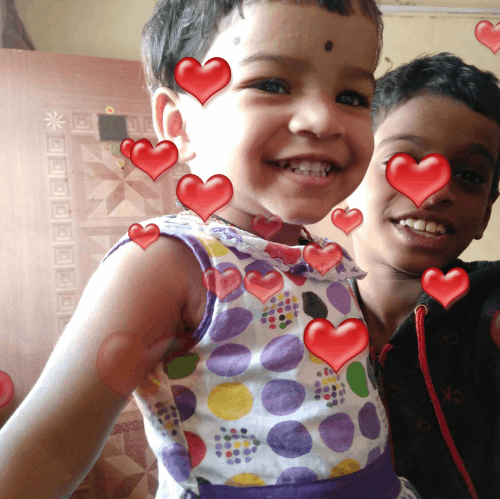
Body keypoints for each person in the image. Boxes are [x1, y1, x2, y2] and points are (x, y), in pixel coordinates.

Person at [0, 1, 421, 498]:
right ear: (178, 125)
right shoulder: (166, 263)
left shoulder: (327, 259)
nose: (322, 118)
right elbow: (46, 451)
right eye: (272, 84)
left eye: (351, 96)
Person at [335, 52, 500, 499]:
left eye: (469, 175)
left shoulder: (489, 310)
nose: (437, 189)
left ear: (486, 213)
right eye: (404, 161)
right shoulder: (291, 313)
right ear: (349, 176)